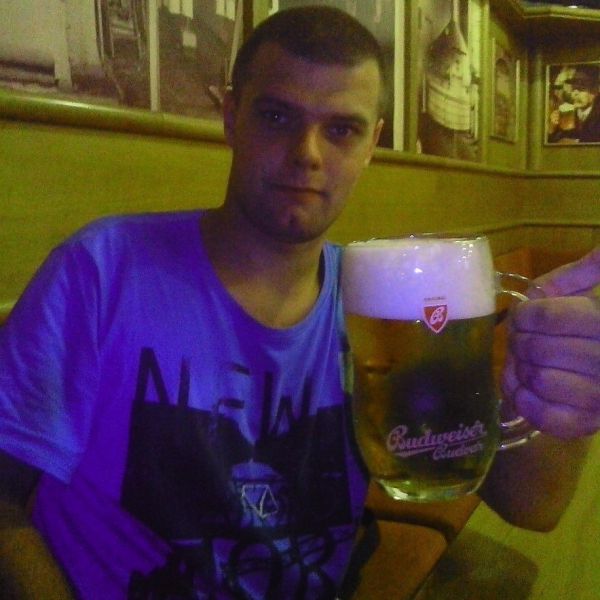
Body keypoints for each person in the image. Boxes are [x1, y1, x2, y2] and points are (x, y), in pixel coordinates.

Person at [0, 6, 598, 599]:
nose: (307, 153)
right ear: (231, 116)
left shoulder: (386, 305)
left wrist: (556, 389)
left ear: (372, 144)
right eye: (277, 116)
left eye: (342, 130)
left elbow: (532, 506)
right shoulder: (105, 269)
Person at [548, 65, 600, 143]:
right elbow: (550, 143)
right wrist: (551, 127)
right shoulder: (566, 114)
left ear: (594, 92)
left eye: (580, 89)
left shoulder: (597, 115)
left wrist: (576, 143)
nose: (575, 94)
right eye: (573, 89)